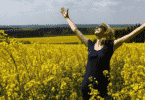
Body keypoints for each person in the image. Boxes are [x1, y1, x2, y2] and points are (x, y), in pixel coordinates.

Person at [60, 7, 145, 100]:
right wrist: (67, 17)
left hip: (101, 89)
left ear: (106, 32)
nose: (96, 27)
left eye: (100, 27)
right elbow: (75, 30)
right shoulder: (90, 44)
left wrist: (144, 25)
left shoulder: (110, 46)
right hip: (86, 88)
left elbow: (128, 36)